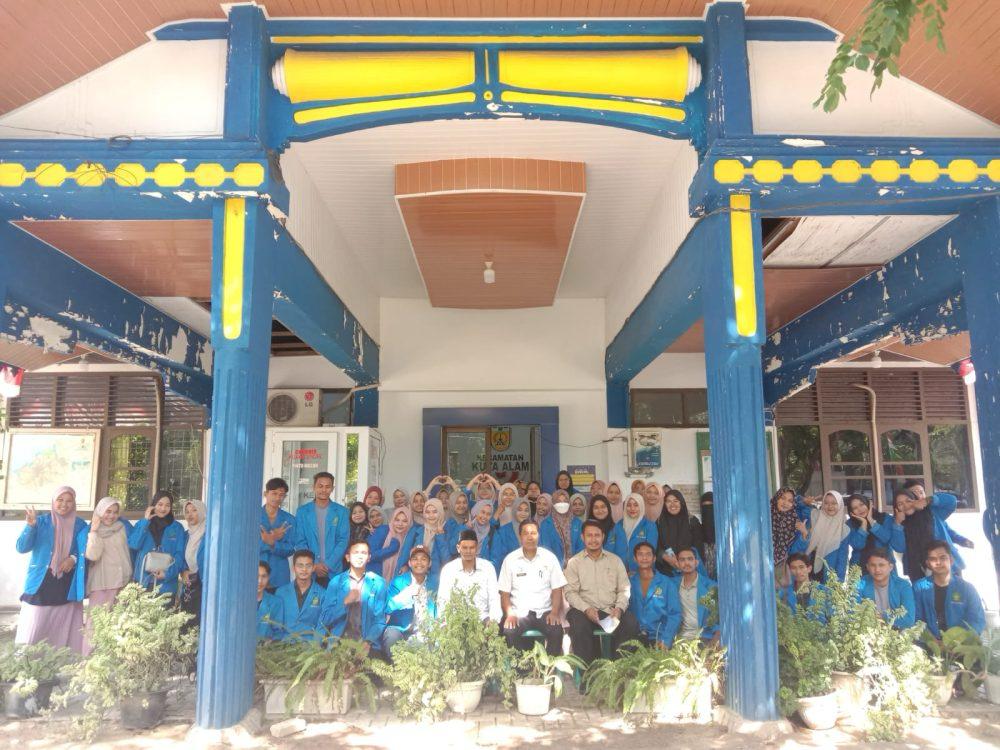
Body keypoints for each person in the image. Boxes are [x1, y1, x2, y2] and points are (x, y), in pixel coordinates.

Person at [15, 486, 87, 652]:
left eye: (69, 501)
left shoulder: (80, 525)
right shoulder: (41, 522)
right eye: (60, 500)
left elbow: (83, 548)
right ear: (53, 501)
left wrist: (73, 558)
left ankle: (59, 661)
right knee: (35, 623)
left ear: (74, 503)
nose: (64, 504)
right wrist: (30, 526)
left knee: (62, 624)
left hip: (66, 580)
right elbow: (21, 547)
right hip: (41, 580)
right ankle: (28, 660)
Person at [565, 520, 637, 663]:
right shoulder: (574, 562)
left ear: (603, 536)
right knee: (578, 624)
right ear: (582, 537)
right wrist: (586, 609)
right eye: (589, 535)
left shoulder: (615, 561)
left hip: (610, 610)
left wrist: (619, 608)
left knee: (631, 622)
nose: (593, 539)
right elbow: (570, 592)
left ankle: (618, 669)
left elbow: (624, 589)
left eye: (597, 535)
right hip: (584, 611)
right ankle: (588, 671)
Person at [498, 520, 566, 655]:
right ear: (520, 536)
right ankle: (522, 667)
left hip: (545, 611)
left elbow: (557, 589)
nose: (530, 537)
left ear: (538, 535)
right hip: (519, 612)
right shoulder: (510, 560)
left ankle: (549, 666)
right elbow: (504, 593)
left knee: (556, 631)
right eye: (526, 533)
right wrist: (510, 614)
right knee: (509, 631)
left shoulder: (549, 558)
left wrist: (554, 612)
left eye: (533, 533)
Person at [76, 496, 133, 652]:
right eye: (108, 511)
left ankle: (110, 659)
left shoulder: (121, 527)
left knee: (117, 623)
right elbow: (93, 555)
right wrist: (94, 532)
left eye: (115, 512)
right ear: (100, 511)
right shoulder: (92, 530)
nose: (111, 515)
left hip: (122, 582)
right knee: (96, 623)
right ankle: (89, 658)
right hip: (102, 583)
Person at [321, 539, 387, 653]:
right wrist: (344, 603)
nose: (359, 556)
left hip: (367, 642)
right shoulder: (336, 582)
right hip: (339, 642)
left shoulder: (378, 583)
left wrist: (368, 641)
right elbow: (325, 619)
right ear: (347, 557)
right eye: (356, 552)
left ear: (369, 558)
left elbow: (380, 620)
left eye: (364, 553)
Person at [894, 481, 964, 582]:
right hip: (918, 570)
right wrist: (897, 524)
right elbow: (899, 547)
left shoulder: (933, 512)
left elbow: (952, 501)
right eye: (914, 492)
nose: (919, 495)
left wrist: (929, 500)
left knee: (955, 591)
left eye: (921, 492)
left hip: (947, 565)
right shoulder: (900, 522)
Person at [913, 541, 985, 639]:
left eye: (943, 558)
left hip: (961, 644)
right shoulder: (919, 588)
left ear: (951, 560)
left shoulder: (967, 588)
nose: (938, 562)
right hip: (930, 644)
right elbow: (916, 619)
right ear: (928, 564)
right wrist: (932, 641)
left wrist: (958, 641)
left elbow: (977, 620)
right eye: (933, 559)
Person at [293, 472, 349, 586]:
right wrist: (314, 565)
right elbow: (300, 541)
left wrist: (328, 565)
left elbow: (343, 540)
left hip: (334, 571)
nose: (324, 490)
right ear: (314, 487)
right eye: (320, 486)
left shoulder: (342, 512)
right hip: (309, 571)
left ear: (332, 489)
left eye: (327, 487)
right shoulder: (302, 512)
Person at [129, 490, 187, 596]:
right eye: (160, 504)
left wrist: (167, 573)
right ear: (153, 505)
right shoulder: (142, 524)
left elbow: (180, 555)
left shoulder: (177, 528)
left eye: (167, 505)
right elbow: (134, 545)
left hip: (166, 586)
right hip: (143, 583)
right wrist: (145, 521)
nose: (163, 509)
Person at [383, 546, 438, 655]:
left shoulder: (434, 583)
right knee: (391, 637)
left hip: (424, 631)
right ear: (409, 563)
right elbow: (387, 607)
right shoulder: (399, 582)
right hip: (400, 629)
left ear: (429, 563)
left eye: (423, 559)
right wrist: (406, 595)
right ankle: (395, 665)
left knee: (430, 647)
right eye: (415, 559)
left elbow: (438, 611)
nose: (419, 562)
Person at [438, 529, 501, 622]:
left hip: (483, 619)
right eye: (464, 547)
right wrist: (444, 624)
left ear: (477, 548)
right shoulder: (448, 570)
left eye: (472, 547)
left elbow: (494, 598)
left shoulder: (488, 568)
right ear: (458, 548)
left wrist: (493, 621)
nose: (468, 551)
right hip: (456, 622)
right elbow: (443, 600)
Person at [629, 541, 680, 647]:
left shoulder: (667, 583)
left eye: (648, 554)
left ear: (654, 558)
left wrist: (666, 640)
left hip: (659, 639)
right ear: (635, 558)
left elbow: (675, 614)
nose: (644, 558)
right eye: (640, 554)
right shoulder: (628, 583)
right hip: (632, 639)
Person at [273, 550, 326, 642]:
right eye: (300, 565)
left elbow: (322, 626)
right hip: (285, 644)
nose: (304, 569)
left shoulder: (322, 594)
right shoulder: (281, 593)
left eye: (308, 566)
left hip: (310, 645)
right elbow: (276, 625)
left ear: (313, 567)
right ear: (293, 567)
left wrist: (315, 646)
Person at [856, 548, 915, 628]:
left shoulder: (903, 586)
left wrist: (883, 617)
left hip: (897, 632)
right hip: (867, 631)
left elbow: (909, 620)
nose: (877, 570)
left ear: (891, 567)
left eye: (881, 565)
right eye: (873, 565)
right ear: (867, 567)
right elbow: (852, 613)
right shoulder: (860, 584)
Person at [670, 547, 719, 642]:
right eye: (682, 560)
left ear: (696, 562)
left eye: (690, 559)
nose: (686, 563)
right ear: (678, 564)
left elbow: (717, 617)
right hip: (679, 639)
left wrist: (715, 639)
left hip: (704, 638)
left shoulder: (711, 587)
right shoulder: (672, 585)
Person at [800, 490, 850, 582]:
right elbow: (798, 509)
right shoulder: (815, 516)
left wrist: (839, 581)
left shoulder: (844, 529)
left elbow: (842, 557)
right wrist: (804, 502)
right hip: (808, 564)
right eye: (826, 503)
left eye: (834, 503)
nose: (830, 506)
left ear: (840, 505)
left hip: (828, 569)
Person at [656, 490, 704, 577]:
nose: (672, 504)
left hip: (689, 570)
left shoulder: (692, 521)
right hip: (665, 572)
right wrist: (664, 556)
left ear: (681, 502)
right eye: (668, 501)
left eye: (676, 501)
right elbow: (656, 546)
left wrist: (685, 561)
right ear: (664, 504)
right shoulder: (659, 522)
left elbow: (699, 548)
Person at [607, 493, 658, 575]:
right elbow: (609, 549)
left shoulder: (649, 526)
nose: (632, 508)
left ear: (641, 506)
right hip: (619, 573)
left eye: (636, 505)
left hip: (642, 573)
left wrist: (638, 573)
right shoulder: (618, 526)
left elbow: (650, 552)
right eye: (629, 505)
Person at [260, 478, 295, 589]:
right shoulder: (253, 516)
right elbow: (247, 546)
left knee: (279, 599)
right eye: (274, 493)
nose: (277, 498)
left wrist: (273, 543)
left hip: (279, 573)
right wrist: (272, 539)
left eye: (281, 495)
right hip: (257, 570)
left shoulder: (289, 519)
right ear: (265, 494)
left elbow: (290, 548)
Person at [846, 493, 894, 570]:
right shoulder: (849, 524)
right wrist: (864, 524)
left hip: (884, 566)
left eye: (861, 504)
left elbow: (887, 538)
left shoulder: (885, 517)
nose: (860, 509)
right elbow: (858, 545)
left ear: (868, 504)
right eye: (855, 508)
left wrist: (871, 520)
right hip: (859, 567)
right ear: (852, 513)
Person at [179, 499, 207, 628]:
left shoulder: (209, 534)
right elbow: (181, 557)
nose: (190, 514)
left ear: (202, 511)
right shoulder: (186, 535)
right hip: (190, 584)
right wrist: (184, 570)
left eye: (194, 510)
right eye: (187, 511)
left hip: (205, 583)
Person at [368, 506, 414, 579]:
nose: (400, 524)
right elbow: (369, 556)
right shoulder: (383, 530)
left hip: (398, 580)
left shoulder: (410, 537)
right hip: (375, 578)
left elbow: (412, 558)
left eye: (405, 521)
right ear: (392, 520)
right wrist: (391, 549)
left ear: (410, 522)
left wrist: (407, 566)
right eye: (397, 520)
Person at [539, 489, 583, 566]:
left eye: (565, 501)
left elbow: (581, 546)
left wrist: (574, 563)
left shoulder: (577, 523)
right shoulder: (545, 524)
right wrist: (560, 564)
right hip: (554, 567)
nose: (562, 504)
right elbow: (545, 547)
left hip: (576, 566)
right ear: (553, 503)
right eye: (559, 501)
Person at [771, 487, 805, 582]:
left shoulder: (794, 521)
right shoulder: (766, 515)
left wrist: (804, 533)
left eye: (790, 501)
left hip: (782, 568)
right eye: (783, 498)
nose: (785, 503)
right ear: (777, 498)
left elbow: (796, 551)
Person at [780, 552, 828, 617]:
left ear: (809, 569)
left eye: (801, 567)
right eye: (793, 568)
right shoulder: (783, 593)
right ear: (790, 570)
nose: (798, 572)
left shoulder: (824, 592)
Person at [418, 497, 452, 572]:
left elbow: (446, 559)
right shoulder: (419, 531)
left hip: (439, 574)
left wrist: (440, 536)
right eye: (427, 512)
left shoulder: (447, 530)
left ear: (440, 512)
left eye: (435, 512)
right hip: (421, 573)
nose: (431, 515)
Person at [257, 562, 284, 640]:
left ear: (268, 577)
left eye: (264, 576)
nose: (260, 581)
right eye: (256, 576)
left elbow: (278, 632)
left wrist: (271, 642)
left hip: (267, 647)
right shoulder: (240, 602)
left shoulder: (276, 602)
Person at [699, 492, 717, 579]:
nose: (708, 510)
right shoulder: (698, 529)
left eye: (711, 506)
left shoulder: (724, 531)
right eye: (704, 506)